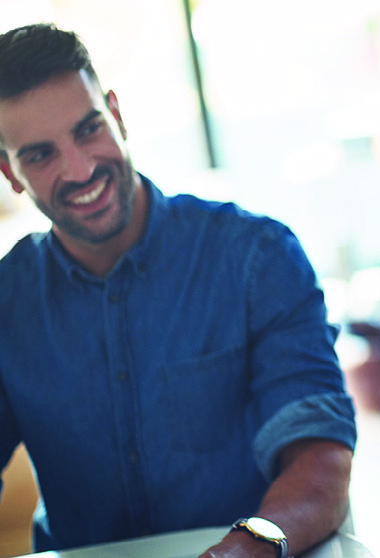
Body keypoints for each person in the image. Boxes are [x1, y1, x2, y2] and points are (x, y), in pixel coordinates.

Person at [0, 24, 356, 557]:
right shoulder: (7, 300)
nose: (80, 168)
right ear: (9, 171)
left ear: (117, 115)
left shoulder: (256, 258)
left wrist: (241, 550)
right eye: (41, 155)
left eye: (89, 129)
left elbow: (320, 457)